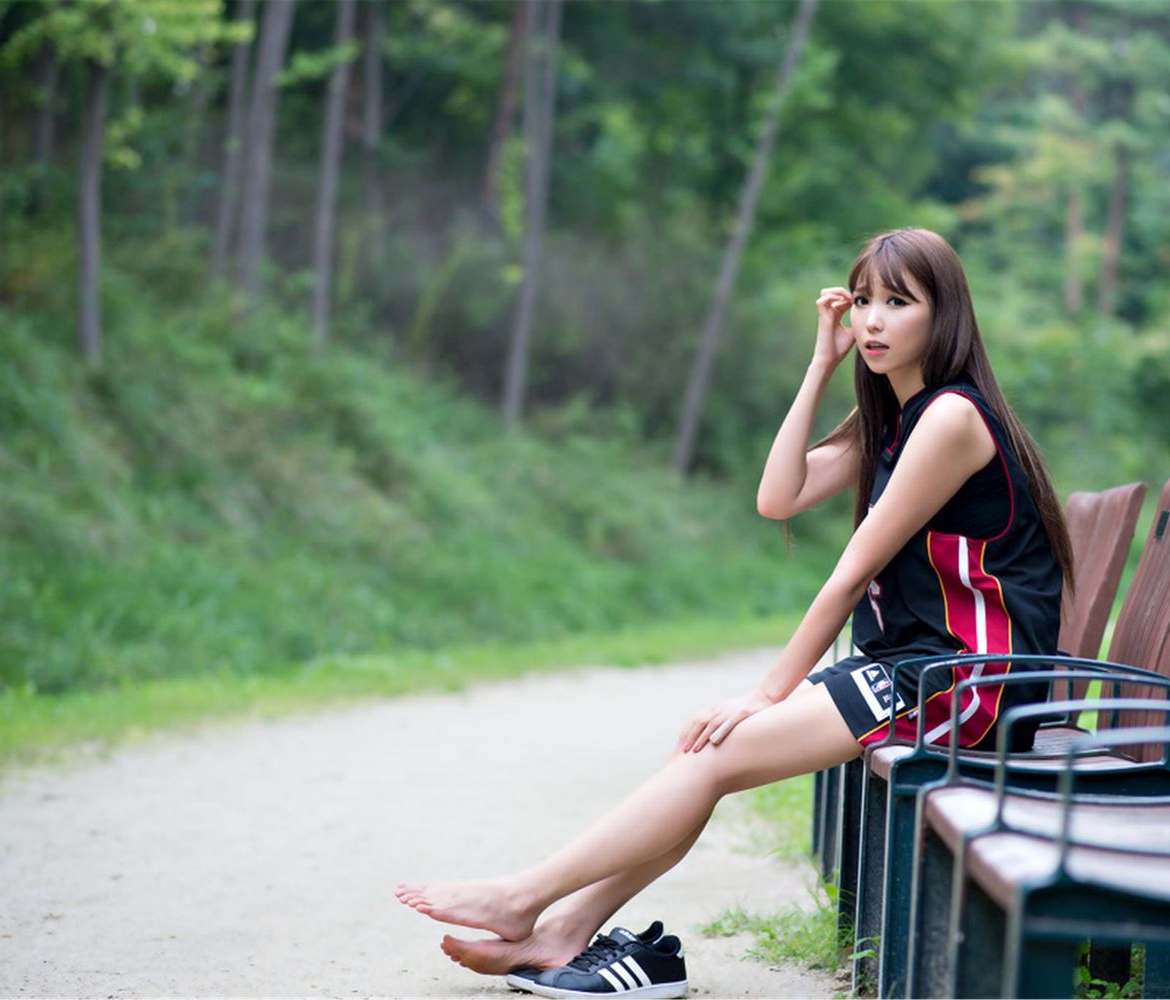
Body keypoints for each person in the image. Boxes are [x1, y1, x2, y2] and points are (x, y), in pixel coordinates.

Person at [395, 228, 1074, 989]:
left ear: (943, 316)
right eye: (863, 303)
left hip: (970, 683)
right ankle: (558, 928)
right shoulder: (893, 422)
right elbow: (776, 497)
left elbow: (851, 573)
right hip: (918, 670)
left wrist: (767, 693)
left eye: (898, 303)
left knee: (714, 754)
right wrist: (821, 364)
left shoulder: (951, 418)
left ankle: (525, 901)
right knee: (706, 758)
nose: (873, 322)